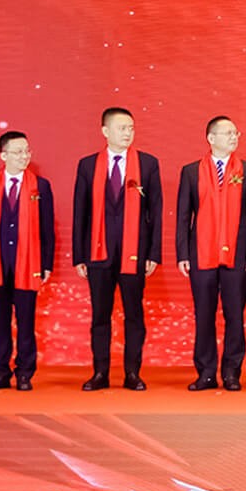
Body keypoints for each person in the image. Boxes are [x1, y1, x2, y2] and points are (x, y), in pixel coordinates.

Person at [73, 107, 164, 391]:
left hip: (134, 252)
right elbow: (80, 213)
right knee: (100, 315)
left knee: (134, 314)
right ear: (105, 131)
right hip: (98, 253)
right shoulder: (88, 165)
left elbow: (156, 211)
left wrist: (153, 253)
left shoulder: (148, 164)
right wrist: (79, 255)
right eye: (122, 128)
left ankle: (132, 373)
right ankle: (100, 373)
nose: (128, 133)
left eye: (131, 128)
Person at [176, 116, 246, 392]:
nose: (234, 137)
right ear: (211, 138)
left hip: (237, 253)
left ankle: (231, 372)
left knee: (234, 314)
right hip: (201, 253)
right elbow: (183, 216)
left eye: (235, 133)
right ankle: (205, 373)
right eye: (228, 133)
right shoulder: (191, 172)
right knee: (204, 314)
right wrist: (183, 253)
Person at [0, 130, 55, 391]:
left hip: (27, 265)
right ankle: (0, 372)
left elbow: (47, 229)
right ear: (3, 155)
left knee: (26, 320)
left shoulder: (41, 187)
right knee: (0, 321)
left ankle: (25, 373)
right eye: (18, 152)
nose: (24, 156)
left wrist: (46, 264)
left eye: (27, 151)